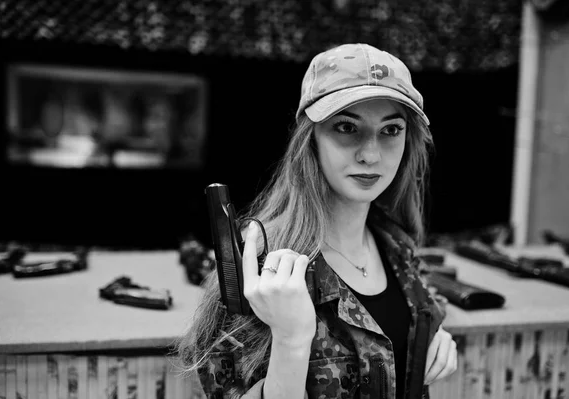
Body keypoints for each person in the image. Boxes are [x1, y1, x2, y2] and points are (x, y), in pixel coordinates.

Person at [177, 43, 457, 399]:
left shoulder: (395, 244)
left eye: (390, 130)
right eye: (346, 127)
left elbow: (415, 303)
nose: (371, 154)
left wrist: (432, 329)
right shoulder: (262, 271)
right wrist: (291, 341)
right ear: (311, 141)